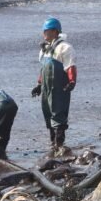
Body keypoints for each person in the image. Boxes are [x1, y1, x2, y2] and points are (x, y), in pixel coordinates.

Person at [31, 17, 76, 148]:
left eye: (47, 31)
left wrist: (72, 82)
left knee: (58, 113)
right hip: (46, 87)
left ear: (55, 32)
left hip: (59, 87)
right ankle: (53, 142)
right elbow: (43, 69)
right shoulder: (44, 50)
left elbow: (70, 66)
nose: (44, 34)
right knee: (47, 112)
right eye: (44, 31)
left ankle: (59, 143)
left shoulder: (65, 48)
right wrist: (39, 85)